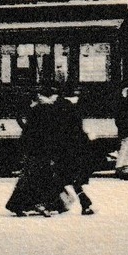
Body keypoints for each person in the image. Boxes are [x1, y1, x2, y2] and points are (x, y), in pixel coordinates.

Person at [7, 87, 68, 216]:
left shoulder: (36, 109)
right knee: (42, 177)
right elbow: (53, 132)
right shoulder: (49, 110)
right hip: (43, 149)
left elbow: (27, 129)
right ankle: (44, 204)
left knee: (31, 177)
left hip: (33, 148)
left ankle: (18, 205)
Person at [56, 87, 96, 216]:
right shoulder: (78, 108)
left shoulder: (59, 107)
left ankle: (62, 203)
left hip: (62, 147)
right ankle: (84, 203)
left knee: (60, 177)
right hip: (77, 148)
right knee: (73, 180)